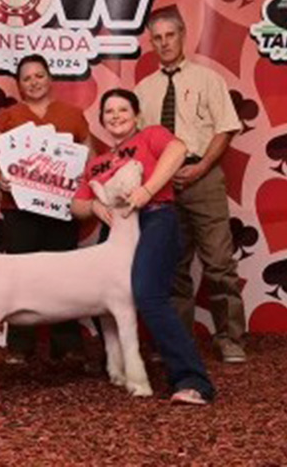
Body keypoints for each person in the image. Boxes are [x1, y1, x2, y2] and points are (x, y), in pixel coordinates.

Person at [71, 88, 215, 405]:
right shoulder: (98, 163)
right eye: (109, 112)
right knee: (96, 294)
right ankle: (120, 367)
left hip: (155, 217)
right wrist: (94, 206)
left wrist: (147, 190)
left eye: (123, 109)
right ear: (102, 120)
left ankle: (193, 381)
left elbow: (178, 149)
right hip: (118, 229)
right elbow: (76, 206)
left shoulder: (151, 136)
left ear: (136, 115)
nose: (116, 116)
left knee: (148, 293)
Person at [133, 8, 247, 363]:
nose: (164, 43)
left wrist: (201, 168)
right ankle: (177, 342)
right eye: (157, 38)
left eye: (170, 35)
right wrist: (157, 179)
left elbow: (225, 128)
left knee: (219, 262)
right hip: (163, 184)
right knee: (173, 266)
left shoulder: (208, 80)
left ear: (183, 36)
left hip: (204, 176)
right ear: (151, 43)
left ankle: (230, 338)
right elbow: (139, 144)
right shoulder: (143, 90)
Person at [0, 54, 93, 364]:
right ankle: (20, 345)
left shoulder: (73, 114)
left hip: (62, 208)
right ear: (19, 85)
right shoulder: (7, 116)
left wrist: (80, 181)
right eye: (27, 78)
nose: (33, 82)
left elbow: (90, 157)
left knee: (63, 276)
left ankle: (66, 343)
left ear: (50, 78)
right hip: (19, 209)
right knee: (20, 275)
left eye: (39, 75)